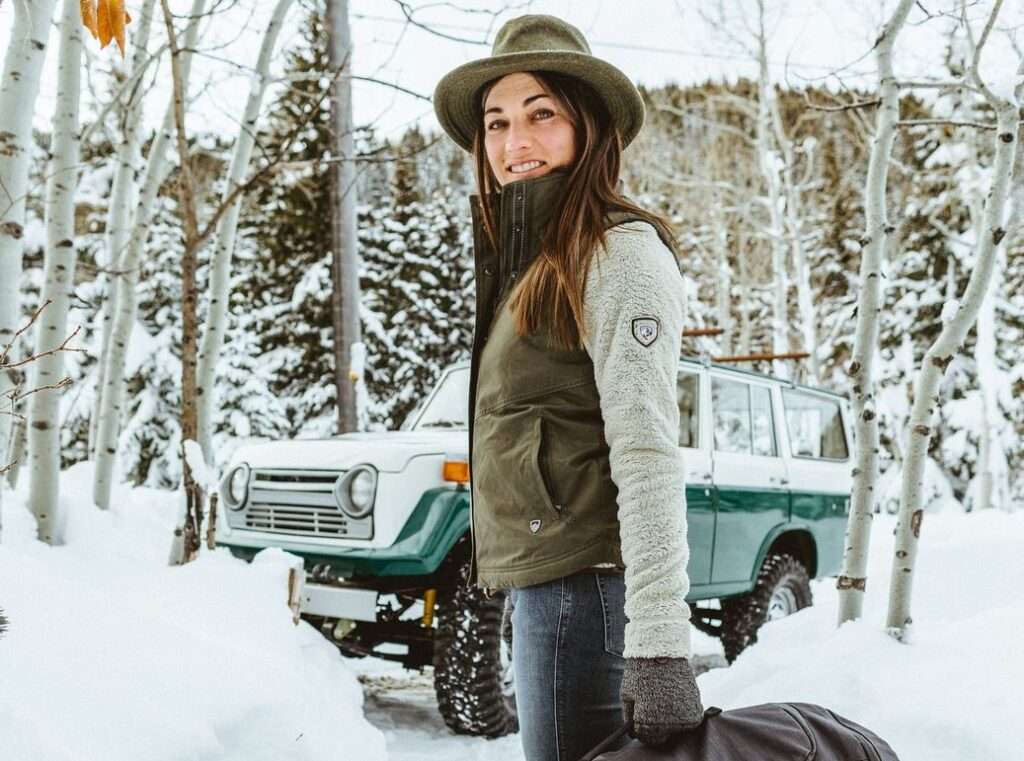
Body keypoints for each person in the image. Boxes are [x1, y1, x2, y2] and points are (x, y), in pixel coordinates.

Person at [433, 15, 704, 761]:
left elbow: (647, 449)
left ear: (588, 126)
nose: (514, 143)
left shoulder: (617, 253)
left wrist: (657, 643)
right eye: (497, 123)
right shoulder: (531, 266)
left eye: (540, 115)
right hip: (550, 587)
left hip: (587, 594)